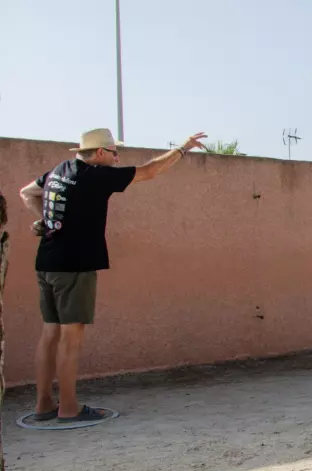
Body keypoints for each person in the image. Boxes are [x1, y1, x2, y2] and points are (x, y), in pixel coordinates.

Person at [19, 128, 206, 423]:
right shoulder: (95, 176)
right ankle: (69, 408)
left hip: (47, 262)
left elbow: (27, 192)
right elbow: (149, 172)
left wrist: (44, 220)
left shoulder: (58, 171)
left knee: (50, 334)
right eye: (114, 153)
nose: (117, 158)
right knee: (71, 338)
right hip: (75, 266)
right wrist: (182, 149)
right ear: (100, 153)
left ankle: (43, 404)